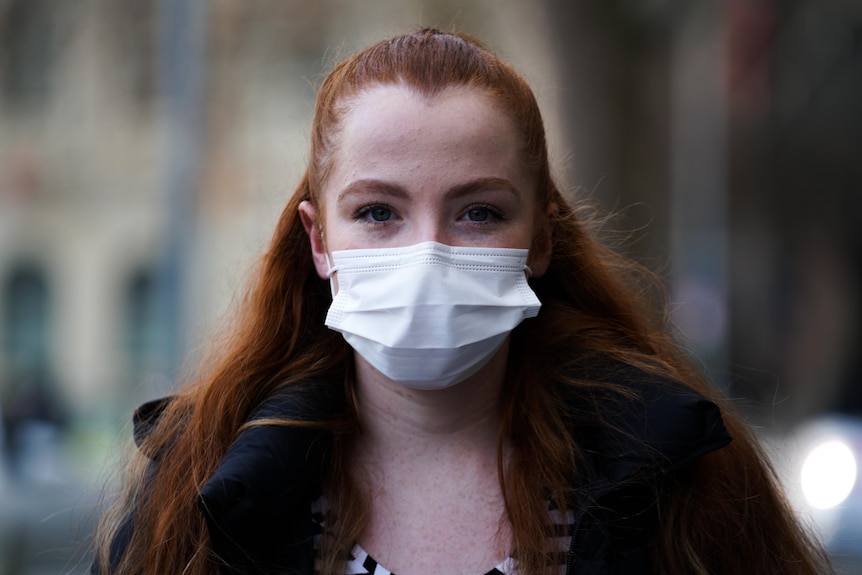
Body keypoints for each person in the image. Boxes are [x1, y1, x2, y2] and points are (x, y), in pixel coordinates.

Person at [91, 29, 831, 575]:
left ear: (542, 237)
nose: (426, 253)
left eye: (477, 212)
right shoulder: (199, 486)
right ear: (319, 243)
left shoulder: (681, 477)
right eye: (379, 212)